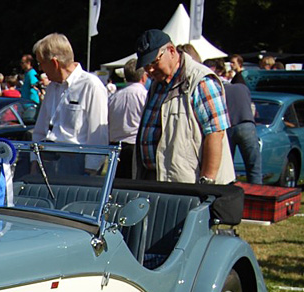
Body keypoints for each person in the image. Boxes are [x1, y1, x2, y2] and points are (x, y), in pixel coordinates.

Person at [135, 30, 234, 184]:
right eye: (146, 66)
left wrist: (207, 182)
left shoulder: (201, 80)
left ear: (172, 51)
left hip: (188, 185)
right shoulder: (157, 85)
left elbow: (215, 133)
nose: (150, 70)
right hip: (155, 179)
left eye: (154, 62)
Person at [30, 33, 108, 174]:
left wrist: (90, 170)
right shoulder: (52, 87)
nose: (40, 69)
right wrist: (34, 161)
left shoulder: (91, 85)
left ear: (54, 63)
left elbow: (98, 135)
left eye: (41, 63)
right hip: (47, 159)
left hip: (75, 162)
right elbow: (40, 129)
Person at [208, 59, 261, 184]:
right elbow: (252, 109)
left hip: (229, 126)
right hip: (247, 125)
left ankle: (230, 193)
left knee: (227, 166)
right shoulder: (243, 88)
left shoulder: (217, 89)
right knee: (253, 166)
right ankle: (257, 194)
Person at [107, 59, 147, 179]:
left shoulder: (114, 97)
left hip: (115, 147)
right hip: (134, 146)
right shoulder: (144, 96)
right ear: (144, 77)